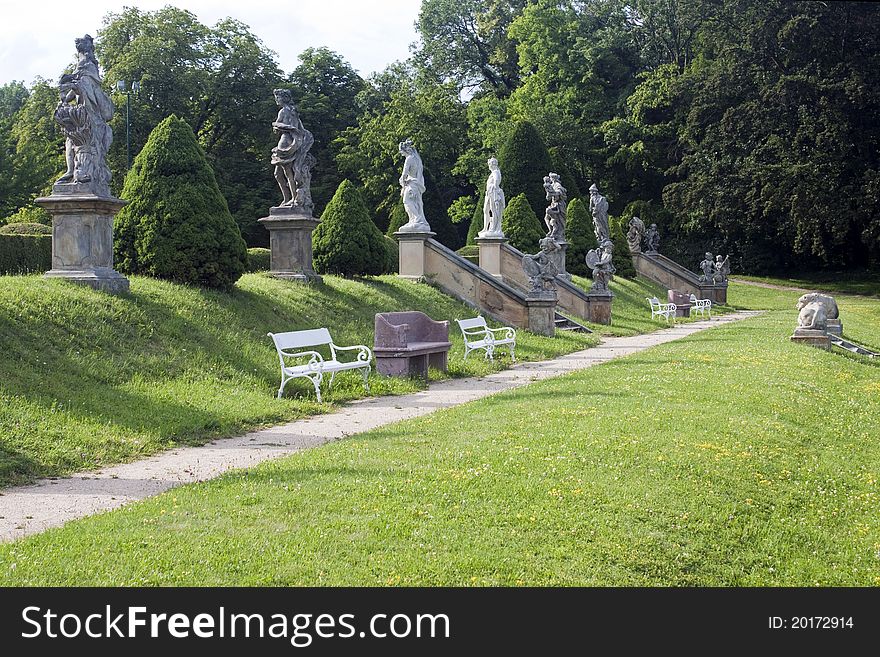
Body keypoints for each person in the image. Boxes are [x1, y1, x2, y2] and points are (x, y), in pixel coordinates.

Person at [55, 35, 114, 195]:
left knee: (82, 142)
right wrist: (65, 96)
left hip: (90, 116)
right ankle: (71, 171)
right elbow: (74, 90)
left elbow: (82, 87)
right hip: (82, 117)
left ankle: (83, 172)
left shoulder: (88, 66)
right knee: (70, 140)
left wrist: (69, 90)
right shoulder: (83, 67)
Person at [271, 89, 314, 208]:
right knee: (279, 173)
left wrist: (275, 125)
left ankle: (292, 199)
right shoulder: (294, 111)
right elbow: (300, 129)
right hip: (288, 141)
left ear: (284, 98)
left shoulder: (284, 111)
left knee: (286, 172)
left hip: (285, 141)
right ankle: (287, 199)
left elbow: (286, 126)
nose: (276, 100)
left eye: (278, 97)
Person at [398, 139, 429, 231]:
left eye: (401, 152)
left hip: (411, 183)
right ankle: (414, 220)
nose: (401, 154)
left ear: (405, 150)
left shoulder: (409, 159)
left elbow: (404, 173)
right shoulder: (416, 159)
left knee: (407, 201)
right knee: (417, 203)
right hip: (416, 184)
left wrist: (402, 181)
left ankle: (417, 219)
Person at [479, 157, 505, 237]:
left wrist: (494, 188)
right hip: (489, 193)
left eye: (490, 164)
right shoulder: (494, 172)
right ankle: (485, 228)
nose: (489, 166)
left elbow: (497, 181)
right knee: (486, 210)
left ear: (493, 164)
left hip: (493, 193)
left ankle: (493, 229)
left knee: (494, 210)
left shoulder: (496, 172)